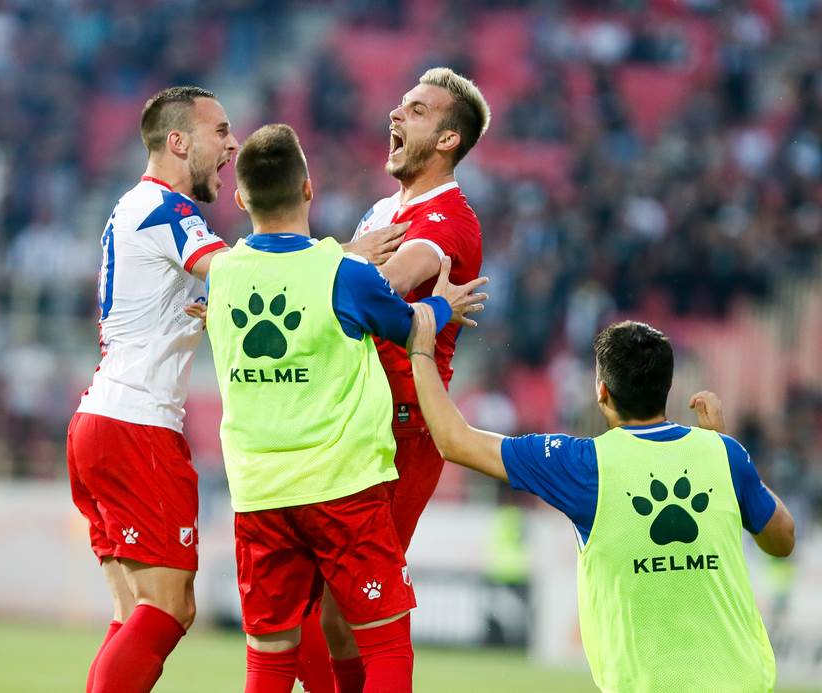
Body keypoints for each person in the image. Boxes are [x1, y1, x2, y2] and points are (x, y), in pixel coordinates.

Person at [66, 87, 402, 693]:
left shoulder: (133, 207)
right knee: (170, 608)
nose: (231, 145)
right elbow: (255, 273)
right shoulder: (165, 209)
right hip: (138, 424)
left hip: (101, 418)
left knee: (132, 611)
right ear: (177, 142)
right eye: (219, 132)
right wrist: (346, 259)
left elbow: (247, 281)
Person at [204, 123, 487, 693]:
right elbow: (411, 327)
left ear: (239, 199)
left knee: (268, 661)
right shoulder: (342, 273)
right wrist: (442, 304)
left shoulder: (222, 277)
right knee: (385, 644)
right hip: (341, 487)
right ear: (309, 190)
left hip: (258, 493)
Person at [408, 316, 795, 692]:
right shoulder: (722, 453)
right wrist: (723, 447)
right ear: (668, 386)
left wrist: (422, 351)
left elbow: (454, 440)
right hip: (743, 681)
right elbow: (783, 540)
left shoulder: (582, 465)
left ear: (602, 391)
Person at [310, 66, 491, 692]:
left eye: (415, 110)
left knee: (358, 601)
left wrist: (339, 262)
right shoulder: (385, 208)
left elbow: (385, 287)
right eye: (401, 104)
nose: (395, 114)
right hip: (352, 416)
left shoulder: (450, 218)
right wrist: (343, 260)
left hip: (403, 425)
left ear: (447, 139)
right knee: (315, 602)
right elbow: (347, 282)